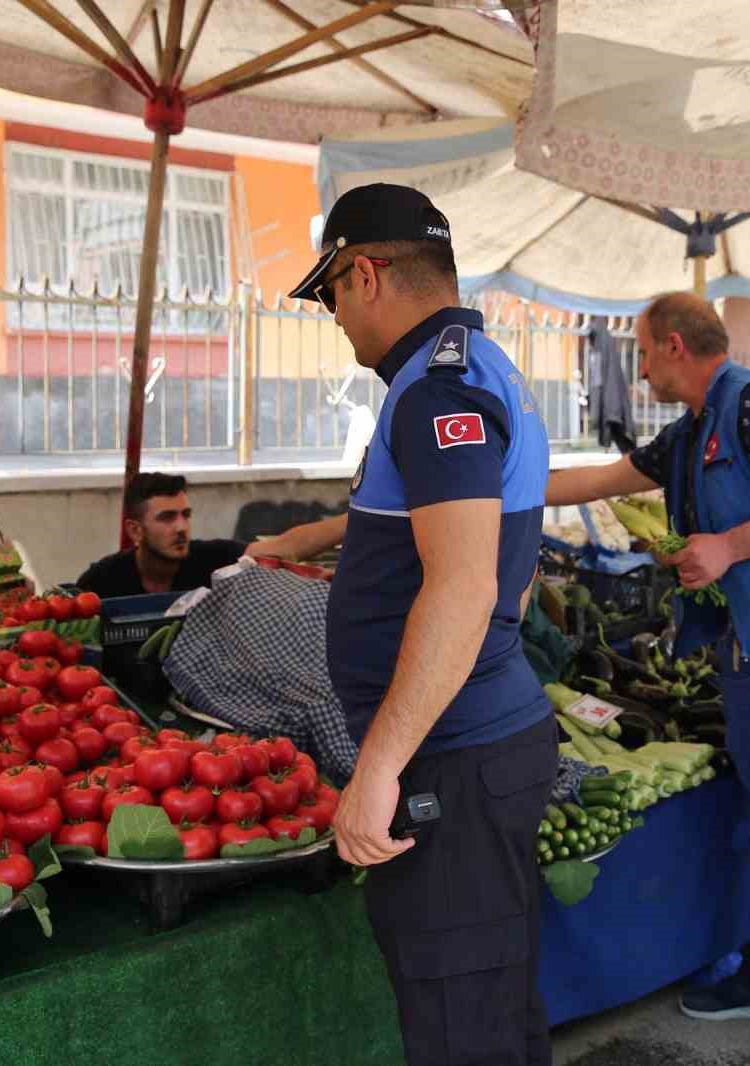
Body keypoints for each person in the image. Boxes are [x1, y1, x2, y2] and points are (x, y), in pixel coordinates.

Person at [545, 292, 750, 1066]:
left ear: (672, 345)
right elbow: (601, 480)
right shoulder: (692, 430)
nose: (640, 365)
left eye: (644, 350)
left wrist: (726, 547)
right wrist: (502, 490)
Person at [289, 182, 556, 1066]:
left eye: (329, 293)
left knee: (460, 1032)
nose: (333, 316)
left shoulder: (438, 388)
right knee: (491, 1009)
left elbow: (463, 586)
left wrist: (379, 768)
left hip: (454, 761)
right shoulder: (466, 368)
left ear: (364, 274)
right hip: (476, 747)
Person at [75, 472, 245, 598]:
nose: (181, 527)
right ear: (135, 530)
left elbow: (262, 550)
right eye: (167, 517)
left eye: (185, 515)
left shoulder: (214, 559)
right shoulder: (101, 581)